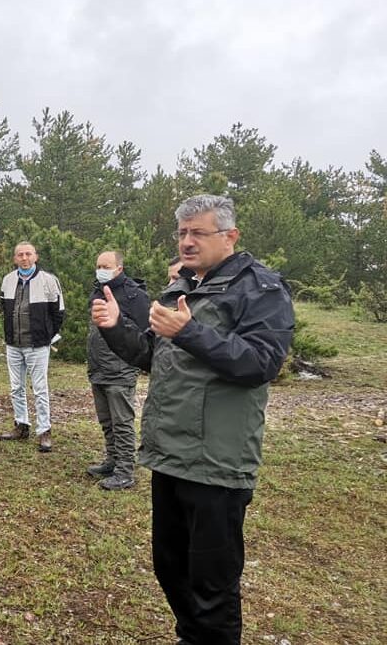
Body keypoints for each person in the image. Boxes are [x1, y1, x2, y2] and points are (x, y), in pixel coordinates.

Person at [92, 195, 294, 645]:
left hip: (217, 459)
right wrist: (113, 328)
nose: (187, 241)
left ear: (230, 236)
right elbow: (151, 354)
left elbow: (261, 363)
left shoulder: (259, 289)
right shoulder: (184, 286)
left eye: (197, 233)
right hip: (170, 452)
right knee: (170, 565)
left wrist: (189, 331)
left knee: (212, 582)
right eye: (182, 232)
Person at [85, 250, 149, 490]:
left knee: (122, 421)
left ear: (119, 268)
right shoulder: (98, 291)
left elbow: (143, 334)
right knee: (106, 420)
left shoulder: (134, 295)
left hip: (120, 370)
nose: (101, 270)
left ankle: (125, 470)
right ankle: (111, 460)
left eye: (106, 266)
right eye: (98, 265)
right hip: (99, 368)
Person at [0, 242, 65, 452]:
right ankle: (21, 425)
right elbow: (4, 309)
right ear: (14, 258)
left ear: (35, 256)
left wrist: (48, 336)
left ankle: (44, 430)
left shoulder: (48, 281)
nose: (24, 258)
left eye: (28, 254)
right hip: (14, 344)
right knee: (16, 387)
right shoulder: (8, 280)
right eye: (20, 255)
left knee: (40, 389)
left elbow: (58, 312)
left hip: (37, 345)